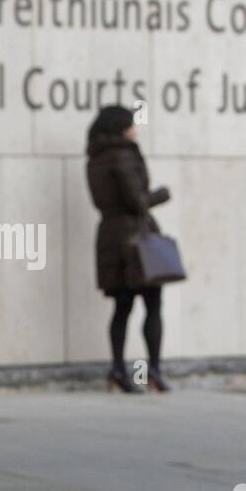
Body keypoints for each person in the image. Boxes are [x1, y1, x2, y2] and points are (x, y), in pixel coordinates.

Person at [84, 105, 172, 393]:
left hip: (111, 237)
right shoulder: (123, 155)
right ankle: (153, 370)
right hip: (135, 240)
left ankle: (118, 370)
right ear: (121, 127)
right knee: (152, 304)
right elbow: (137, 200)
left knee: (122, 307)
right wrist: (161, 194)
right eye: (131, 125)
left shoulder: (95, 158)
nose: (135, 130)